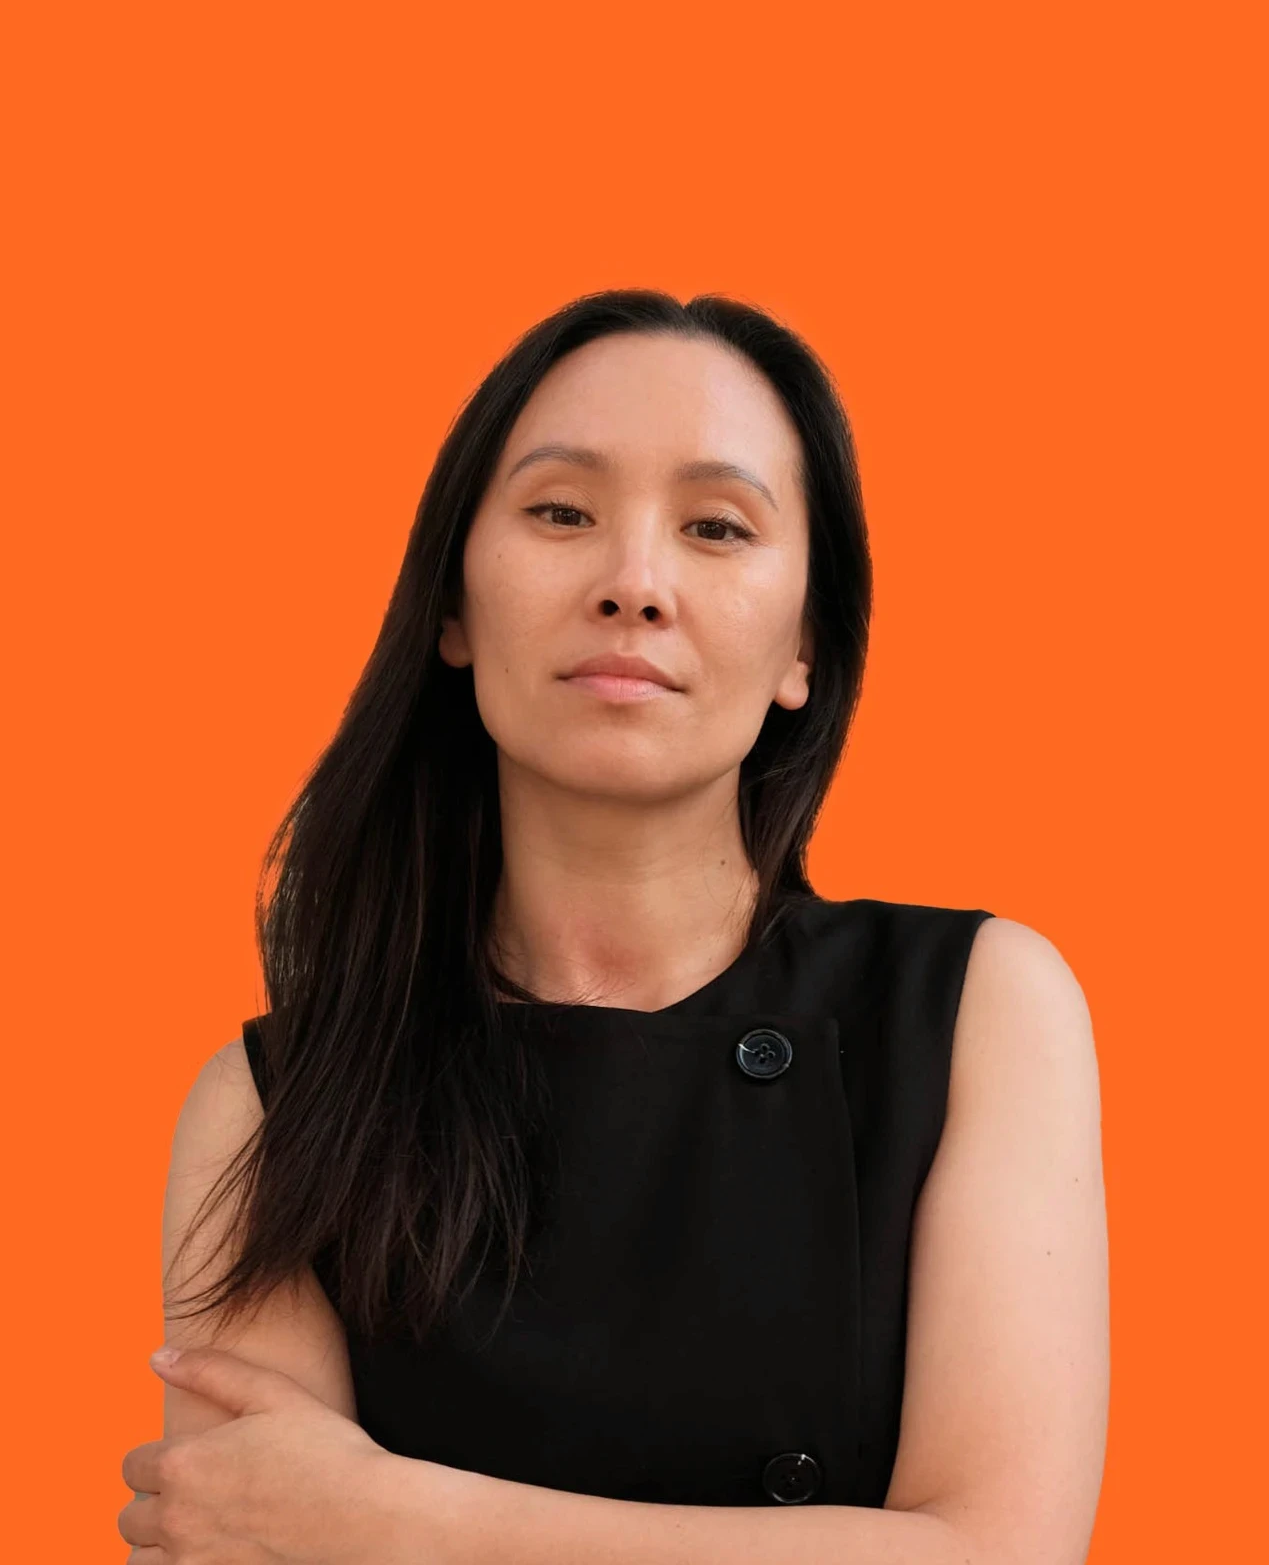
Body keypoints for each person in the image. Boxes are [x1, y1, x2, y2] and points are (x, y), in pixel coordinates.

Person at [121, 288, 1109, 1562]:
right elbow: (244, 1535)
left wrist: (392, 1517)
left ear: (805, 646)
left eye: (716, 526)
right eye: (561, 512)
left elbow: (1004, 1553)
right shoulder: (273, 1102)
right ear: (453, 607)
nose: (633, 583)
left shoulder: (977, 1007)